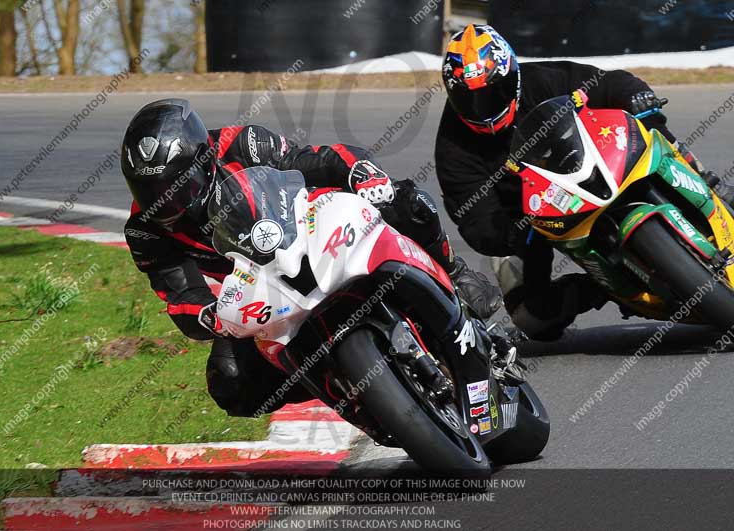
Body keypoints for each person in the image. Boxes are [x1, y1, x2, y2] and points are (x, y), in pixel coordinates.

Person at [121, 98, 501, 417]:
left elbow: (316, 160)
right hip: (258, 294)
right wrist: (208, 314)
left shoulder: (242, 143)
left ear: (204, 162)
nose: (166, 204)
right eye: (149, 191)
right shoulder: (145, 230)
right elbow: (180, 294)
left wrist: (362, 175)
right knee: (231, 383)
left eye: (177, 188)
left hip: (314, 228)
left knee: (409, 204)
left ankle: (456, 273)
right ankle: (350, 389)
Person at [435, 23, 733, 341]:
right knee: (531, 319)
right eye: (472, 101)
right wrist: (510, 233)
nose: (486, 108)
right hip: (534, 218)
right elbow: (475, 219)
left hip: (596, 164)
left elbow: (609, 84)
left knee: (652, 129)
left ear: (514, 77)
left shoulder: (545, 80)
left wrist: (638, 98)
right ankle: (599, 287)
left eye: (495, 93)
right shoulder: (453, 148)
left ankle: (708, 185)